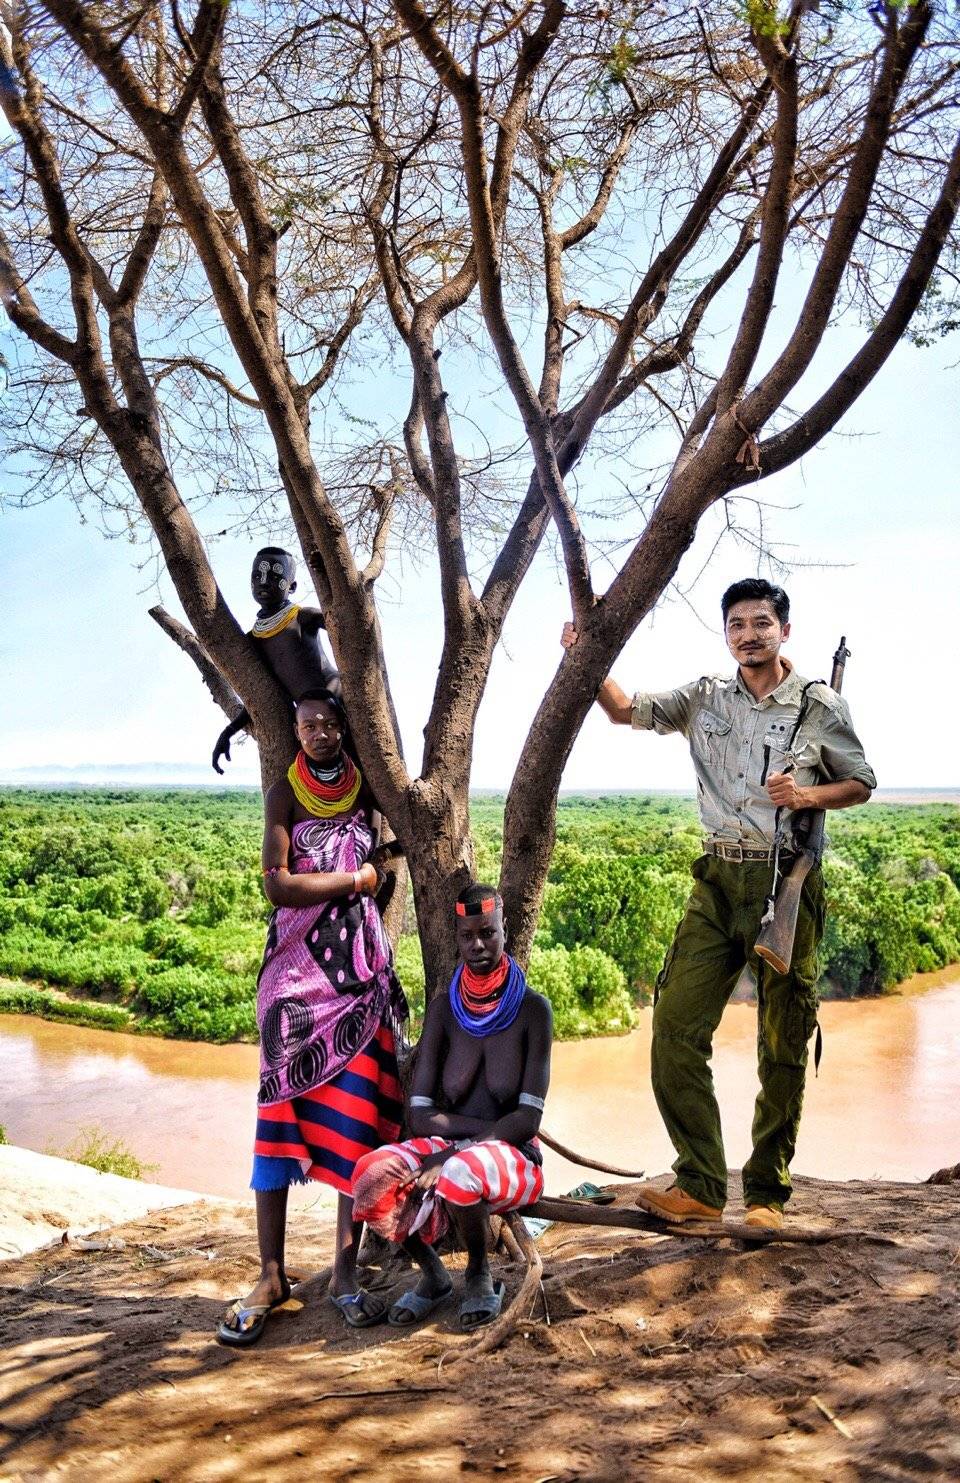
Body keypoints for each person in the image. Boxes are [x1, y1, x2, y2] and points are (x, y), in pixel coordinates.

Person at [561, 578, 875, 1231]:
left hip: (785, 879)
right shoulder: (704, 697)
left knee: (783, 1041)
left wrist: (807, 797)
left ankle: (765, 1194)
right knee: (674, 1027)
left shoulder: (819, 705)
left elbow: (861, 781)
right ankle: (701, 1183)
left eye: (761, 622)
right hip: (716, 878)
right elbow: (622, 710)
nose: (748, 633)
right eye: (737, 624)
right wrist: (584, 659)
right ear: (726, 633)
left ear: (784, 630)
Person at [217, 687, 406, 1346]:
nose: (320, 734)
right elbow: (278, 883)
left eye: (329, 723)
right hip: (294, 983)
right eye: (307, 725)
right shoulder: (284, 792)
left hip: (360, 977)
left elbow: (408, 825)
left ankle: (346, 1272)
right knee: (277, 1121)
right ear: (294, 731)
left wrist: (379, 865)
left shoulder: (364, 782)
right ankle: (271, 1273)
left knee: (357, 1125)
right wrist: (357, 880)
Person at [352, 885, 552, 1331]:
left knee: (461, 1172)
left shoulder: (534, 1011)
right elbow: (420, 1116)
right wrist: (476, 1135)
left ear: (505, 933)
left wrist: (455, 1151)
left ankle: (479, 1275)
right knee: (369, 1174)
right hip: (464, 1143)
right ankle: (434, 1275)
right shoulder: (445, 1011)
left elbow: (528, 1121)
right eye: (467, 935)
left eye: (488, 933)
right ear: (456, 938)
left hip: (517, 1156)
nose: (478, 945)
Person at [212, 546, 340, 773]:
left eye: (274, 576)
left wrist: (328, 575)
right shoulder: (253, 640)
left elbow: (342, 620)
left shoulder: (303, 617)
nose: (263, 581)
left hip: (340, 706)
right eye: (257, 576)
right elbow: (261, 697)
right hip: (308, 723)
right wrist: (228, 731)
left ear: (292, 586)